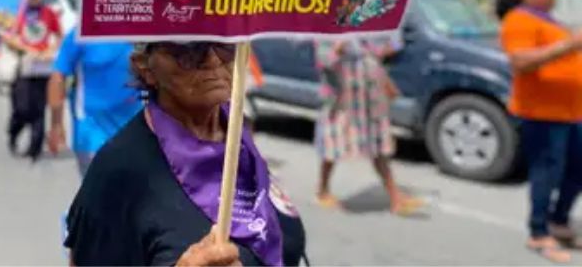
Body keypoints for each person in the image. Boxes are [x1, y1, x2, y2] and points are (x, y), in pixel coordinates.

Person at [65, 42, 307, 266]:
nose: (212, 60)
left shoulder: (235, 132)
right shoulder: (119, 169)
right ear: (146, 67)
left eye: (225, 44)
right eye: (190, 49)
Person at [497, 0, 582, 264]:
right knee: (546, 174)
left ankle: (559, 221)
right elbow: (521, 62)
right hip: (542, 114)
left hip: (569, 112)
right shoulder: (518, 21)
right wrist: (571, 44)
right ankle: (538, 232)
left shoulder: (548, 20)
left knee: (577, 169)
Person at [314, 36, 423, 216]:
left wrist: (389, 49)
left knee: (378, 144)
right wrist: (338, 49)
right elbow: (324, 61)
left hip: (369, 98)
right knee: (333, 146)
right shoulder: (328, 34)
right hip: (342, 101)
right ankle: (323, 190)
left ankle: (396, 198)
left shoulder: (365, 30)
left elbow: (382, 51)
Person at [47, 27, 140, 176]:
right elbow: (58, 76)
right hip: (90, 132)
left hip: (136, 133)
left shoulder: (145, 34)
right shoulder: (81, 32)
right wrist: (56, 124)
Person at [4, 0, 61, 161]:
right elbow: (7, 38)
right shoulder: (17, 13)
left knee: (39, 108)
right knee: (22, 108)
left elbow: (59, 36)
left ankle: (35, 148)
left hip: (42, 68)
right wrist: (24, 48)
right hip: (23, 67)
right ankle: (13, 132)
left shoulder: (49, 13)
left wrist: (50, 51)